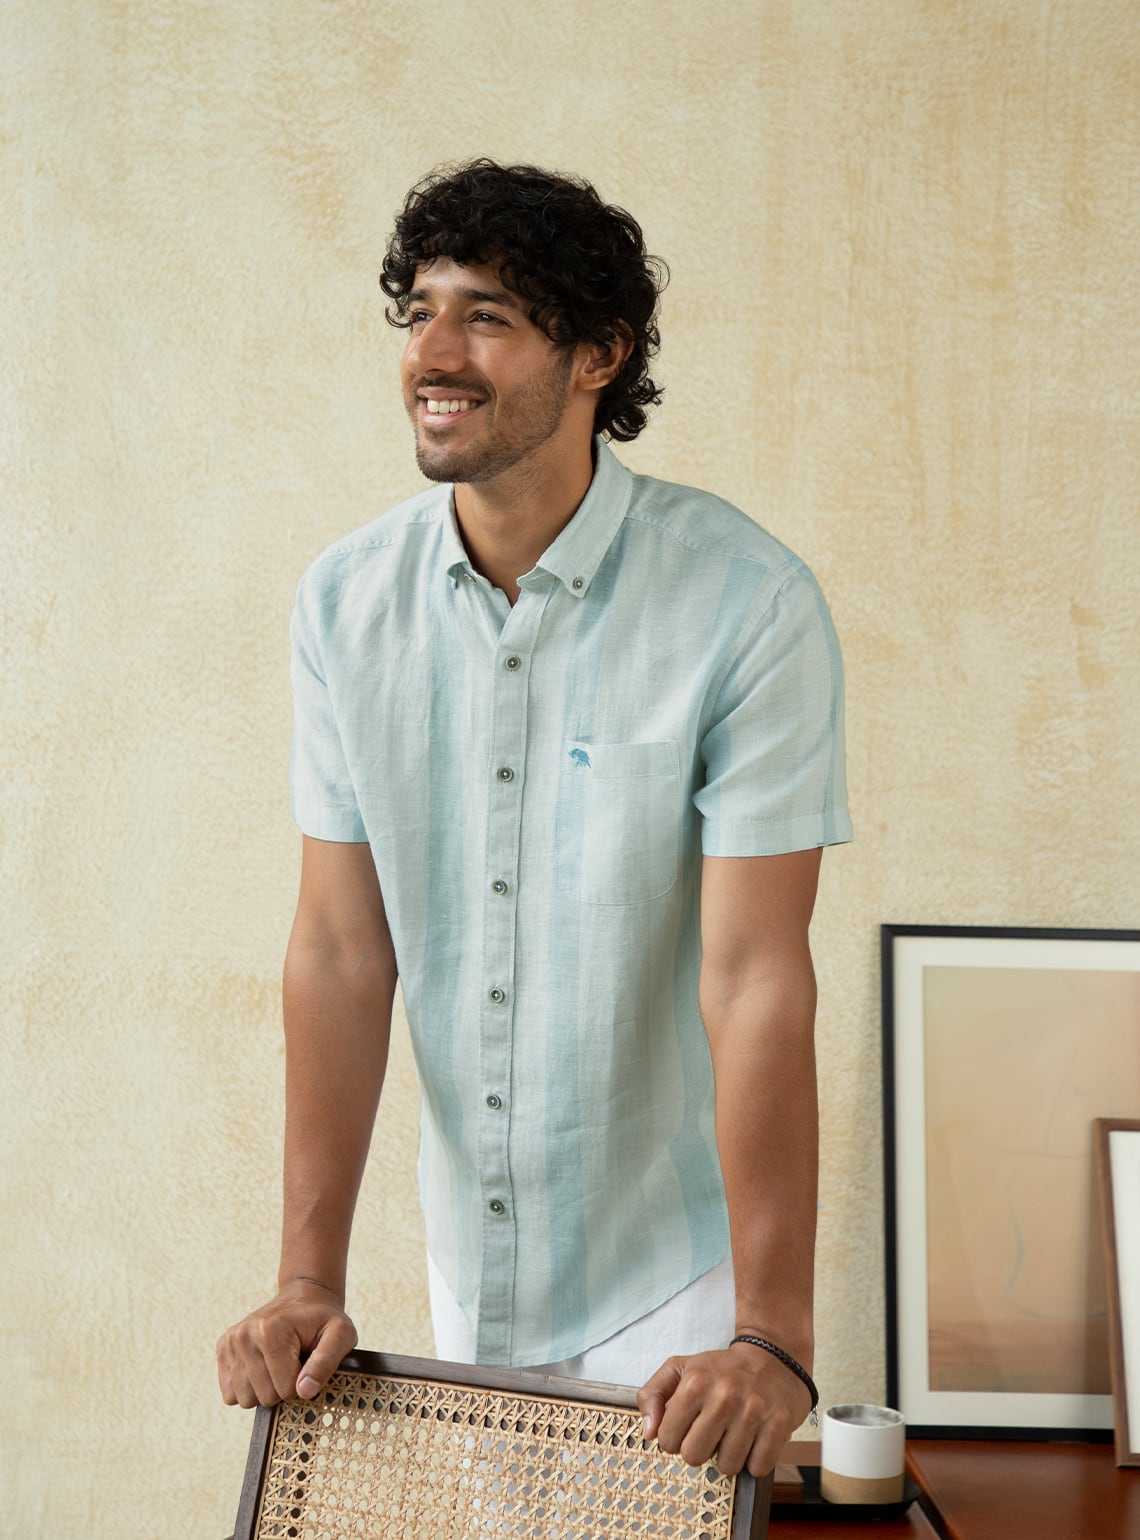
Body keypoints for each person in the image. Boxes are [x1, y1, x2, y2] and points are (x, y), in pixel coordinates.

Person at [216, 158, 852, 1480]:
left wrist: (773, 1335)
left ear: (598, 357)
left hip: (675, 1290)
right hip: (470, 1276)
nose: (435, 354)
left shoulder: (746, 604)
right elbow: (340, 950)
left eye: (489, 315)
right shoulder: (342, 605)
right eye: (420, 312)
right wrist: (306, 1277)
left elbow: (755, 980)